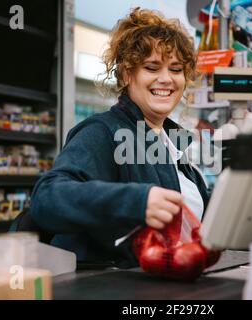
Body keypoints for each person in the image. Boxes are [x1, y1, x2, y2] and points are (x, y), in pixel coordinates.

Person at [30, 7, 210, 268]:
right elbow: (47, 198)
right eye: (151, 67)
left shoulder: (173, 144)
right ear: (127, 74)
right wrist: (136, 201)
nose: (166, 79)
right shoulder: (104, 132)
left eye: (176, 69)